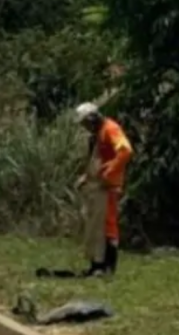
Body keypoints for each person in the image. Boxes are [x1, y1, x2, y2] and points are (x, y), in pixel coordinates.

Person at [74, 102, 133, 276]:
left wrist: (111, 169)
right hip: (98, 186)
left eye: (85, 123)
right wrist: (86, 177)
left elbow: (126, 150)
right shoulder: (97, 134)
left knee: (108, 226)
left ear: (92, 118)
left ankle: (107, 267)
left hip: (109, 186)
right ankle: (97, 264)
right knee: (96, 225)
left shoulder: (110, 129)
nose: (85, 127)